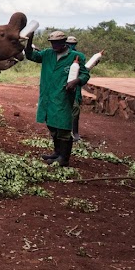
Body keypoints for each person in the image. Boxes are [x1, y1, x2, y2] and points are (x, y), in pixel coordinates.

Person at [25, 30, 89, 167]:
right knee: (51, 124)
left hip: (64, 96)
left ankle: (64, 158)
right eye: (52, 43)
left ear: (64, 42)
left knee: (64, 126)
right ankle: (57, 153)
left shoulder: (76, 56)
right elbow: (30, 55)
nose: (54, 45)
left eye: (57, 43)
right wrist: (29, 40)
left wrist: (76, 81)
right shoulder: (47, 54)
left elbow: (85, 75)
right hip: (47, 95)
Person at [66, 36, 84, 141]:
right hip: (63, 85)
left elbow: (83, 71)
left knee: (75, 109)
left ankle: (75, 132)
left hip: (75, 87)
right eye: (68, 44)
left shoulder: (79, 56)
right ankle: (65, 131)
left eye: (72, 44)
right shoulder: (63, 55)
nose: (70, 46)